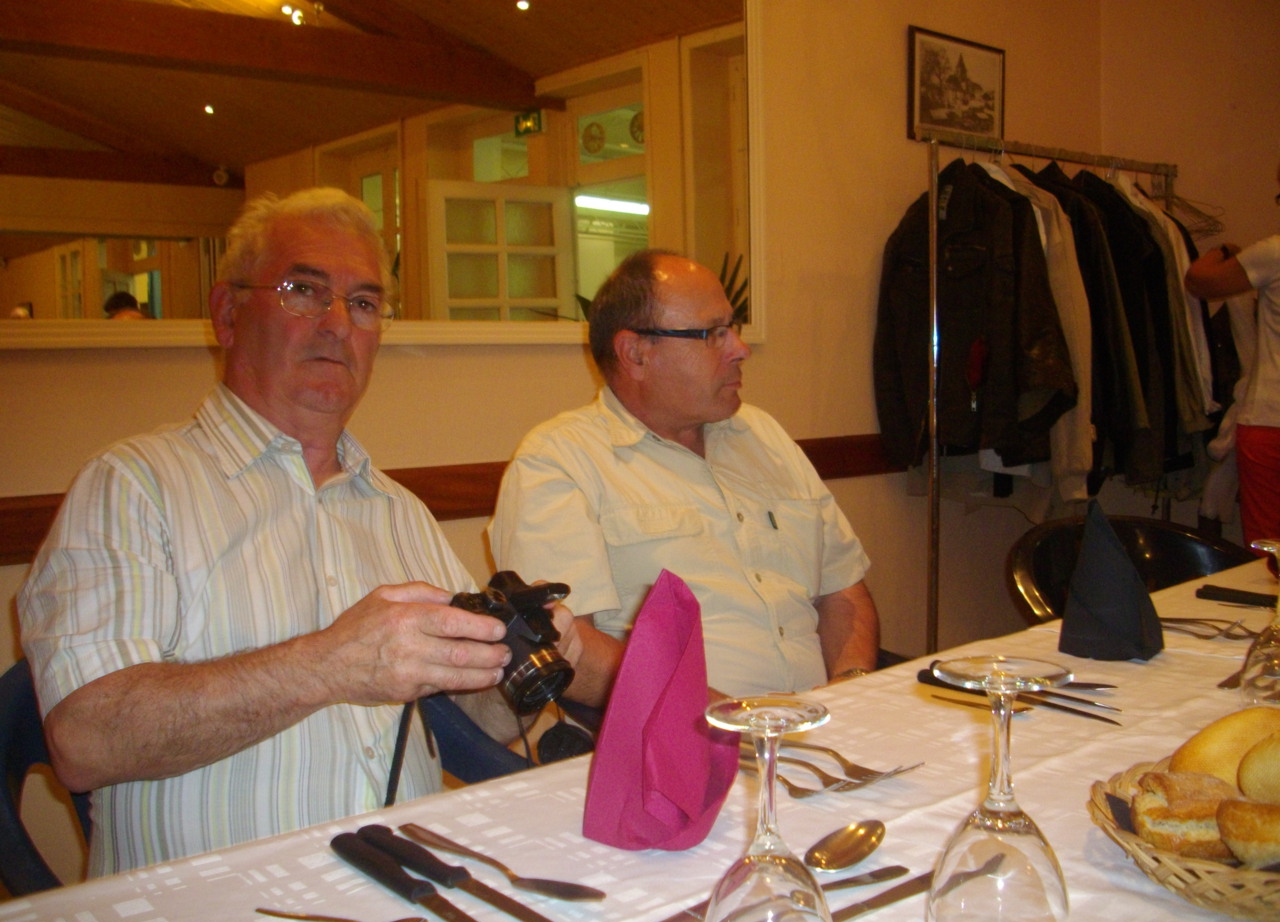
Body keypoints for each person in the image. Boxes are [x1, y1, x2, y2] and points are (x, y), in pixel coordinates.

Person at [18, 188, 597, 876]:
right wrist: (328, 664)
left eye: (363, 303)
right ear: (228, 314)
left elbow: (470, 731)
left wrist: (515, 670)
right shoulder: (132, 488)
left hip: (407, 896)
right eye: (304, 291)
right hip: (214, 913)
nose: (337, 324)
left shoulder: (400, 512)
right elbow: (85, 740)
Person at [489, 250, 880, 701]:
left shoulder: (764, 435)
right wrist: (727, 720)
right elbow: (566, 644)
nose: (740, 349)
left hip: (824, 721)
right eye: (713, 334)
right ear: (636, 354)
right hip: (686, 735)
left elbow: (842, 590)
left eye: (732, 327)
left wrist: (852, 691)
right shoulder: (559, 460)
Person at [1184, 163, 1280, 565]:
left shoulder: (1274, 252)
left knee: (1270, 555)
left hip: (1271, 422)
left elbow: (1200, 281)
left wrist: (1220, 253)